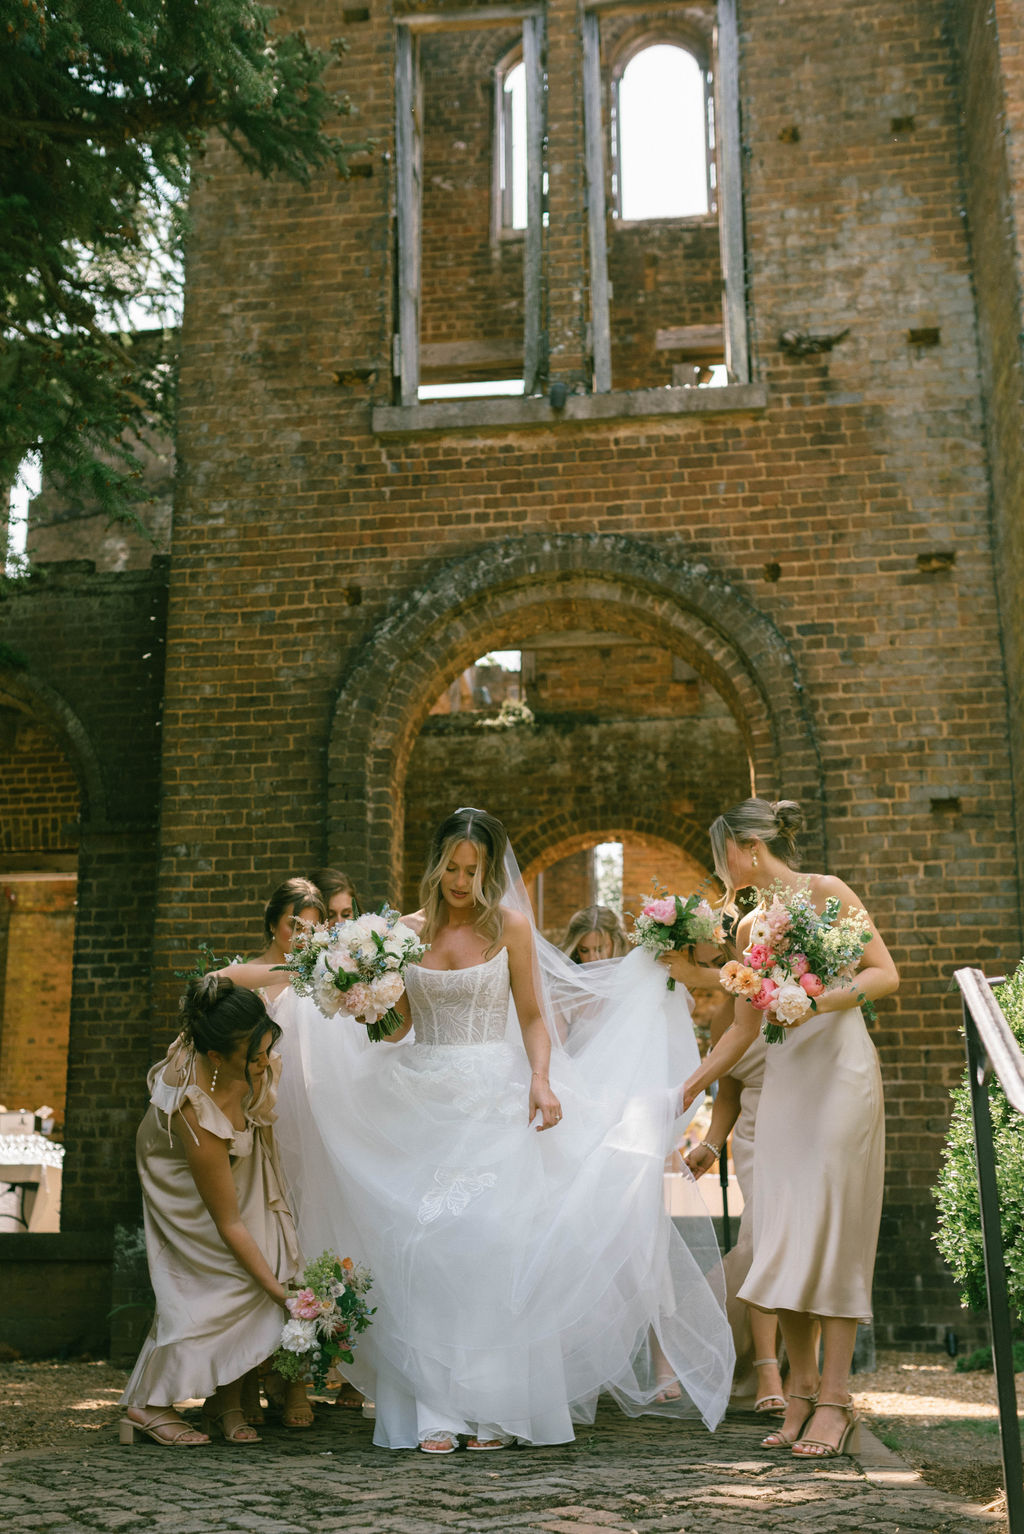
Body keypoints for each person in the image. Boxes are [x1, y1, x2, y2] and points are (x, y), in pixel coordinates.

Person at [293, 807, 734, 1453]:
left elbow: (532, 1016)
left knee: (490, 1240)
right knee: (422, 1248)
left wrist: (541, 1078)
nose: (461, 880)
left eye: (473, 870)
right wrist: (361, 1004)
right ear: (436, 863)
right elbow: (402, 1026)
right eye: (452, 867)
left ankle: (496, 1406)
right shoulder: (402, 935)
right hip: (416, 1096)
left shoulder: (511, 928)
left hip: (492, 1098)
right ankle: (435, 1409)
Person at [681, 797, 899, 1458]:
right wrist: (684, 1088)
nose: (722, 867)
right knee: (784, 1237)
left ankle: (836, 1397)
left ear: (746, 847)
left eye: (722, 854)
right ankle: (800, 1393)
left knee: (830, 1231)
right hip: (783, 1089)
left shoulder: (827, 893)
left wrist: (818, 1000)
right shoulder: (749, 927)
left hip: (839, 1076)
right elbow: (743, 1030)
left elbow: (885, 975)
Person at [119, 975, 298, 1447]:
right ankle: (147, 1405)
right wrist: (283, 1295)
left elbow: (224, 980)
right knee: (222, 1279)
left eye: (265, 1050)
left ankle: (225, 1401)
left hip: (235, 1155)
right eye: (254, 1058)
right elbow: (228, 1223)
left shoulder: (222, 1028)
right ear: (217, 1058)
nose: (265, 1062)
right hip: (180, 1175)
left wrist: (298, 967)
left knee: (265, 1251)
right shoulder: (195, 1115)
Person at [560, 904, 629, 963]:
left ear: (616, 942)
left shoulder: (633, 972)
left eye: (599, 950)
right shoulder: (567, 976)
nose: (592, 959)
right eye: (584, 950)